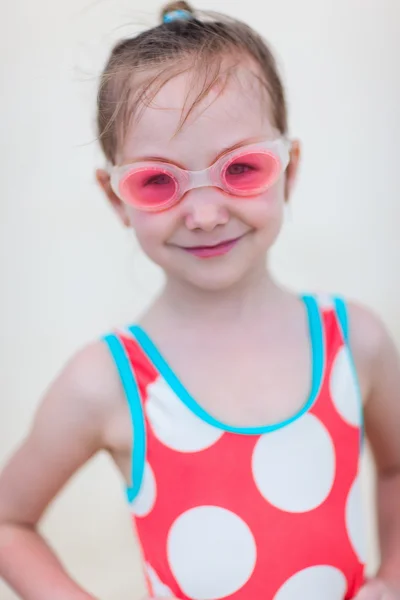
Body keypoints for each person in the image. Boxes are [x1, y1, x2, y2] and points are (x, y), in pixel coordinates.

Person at [0, 2, 399, 599]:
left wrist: (391, 579)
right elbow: (9, 521)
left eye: (240, 169)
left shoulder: (355, 341)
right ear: (116, 198)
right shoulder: (108, 383)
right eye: (158, 181)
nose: (207, 215)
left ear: (289, 170)